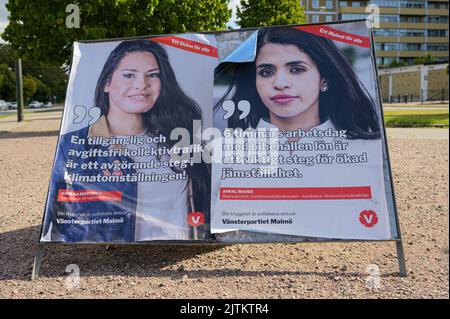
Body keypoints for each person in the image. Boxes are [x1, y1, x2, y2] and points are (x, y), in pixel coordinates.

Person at [41, 39, 210, 243]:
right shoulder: (73, 145)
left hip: (176, 253)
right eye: (129, 75)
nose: (141, 84)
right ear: (106, 83)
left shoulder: (182, 137)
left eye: (153, 75)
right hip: (116, 262)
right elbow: (53, 223)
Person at [216, 27, 381, 139]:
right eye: (266, 72)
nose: (280, 83)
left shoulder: (364, 152)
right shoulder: (228, 155)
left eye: (296, 69)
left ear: (325, 79)